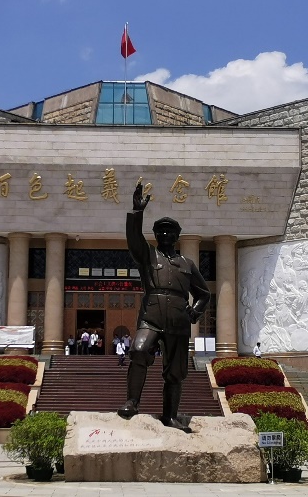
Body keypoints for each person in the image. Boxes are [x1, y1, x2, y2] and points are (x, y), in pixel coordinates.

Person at [118, 182, 211, 432]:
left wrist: (195, 311)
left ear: (177, 236)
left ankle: (170, 416)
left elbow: (204, 294)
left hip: (179, 321)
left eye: (170, 231)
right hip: (152, 316)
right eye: (161, 231)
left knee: (175, 372)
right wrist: (137, 212)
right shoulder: (148, 255)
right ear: (156, 235)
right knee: (139, 350)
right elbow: (134, 239)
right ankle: (132, 402)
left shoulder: (187, 264)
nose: (165, 235)